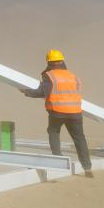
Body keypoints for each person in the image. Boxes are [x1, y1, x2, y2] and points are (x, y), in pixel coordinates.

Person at [20, 49, 94, 178]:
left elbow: (42, 92)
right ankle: (87, 168)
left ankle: (58, 159)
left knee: (53, 132)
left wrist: (26, 91)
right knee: (79, 138)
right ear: (62, 61)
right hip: (75, 112)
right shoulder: (72, 76)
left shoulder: (50, 76)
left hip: (57, 111)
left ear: (49, 62)